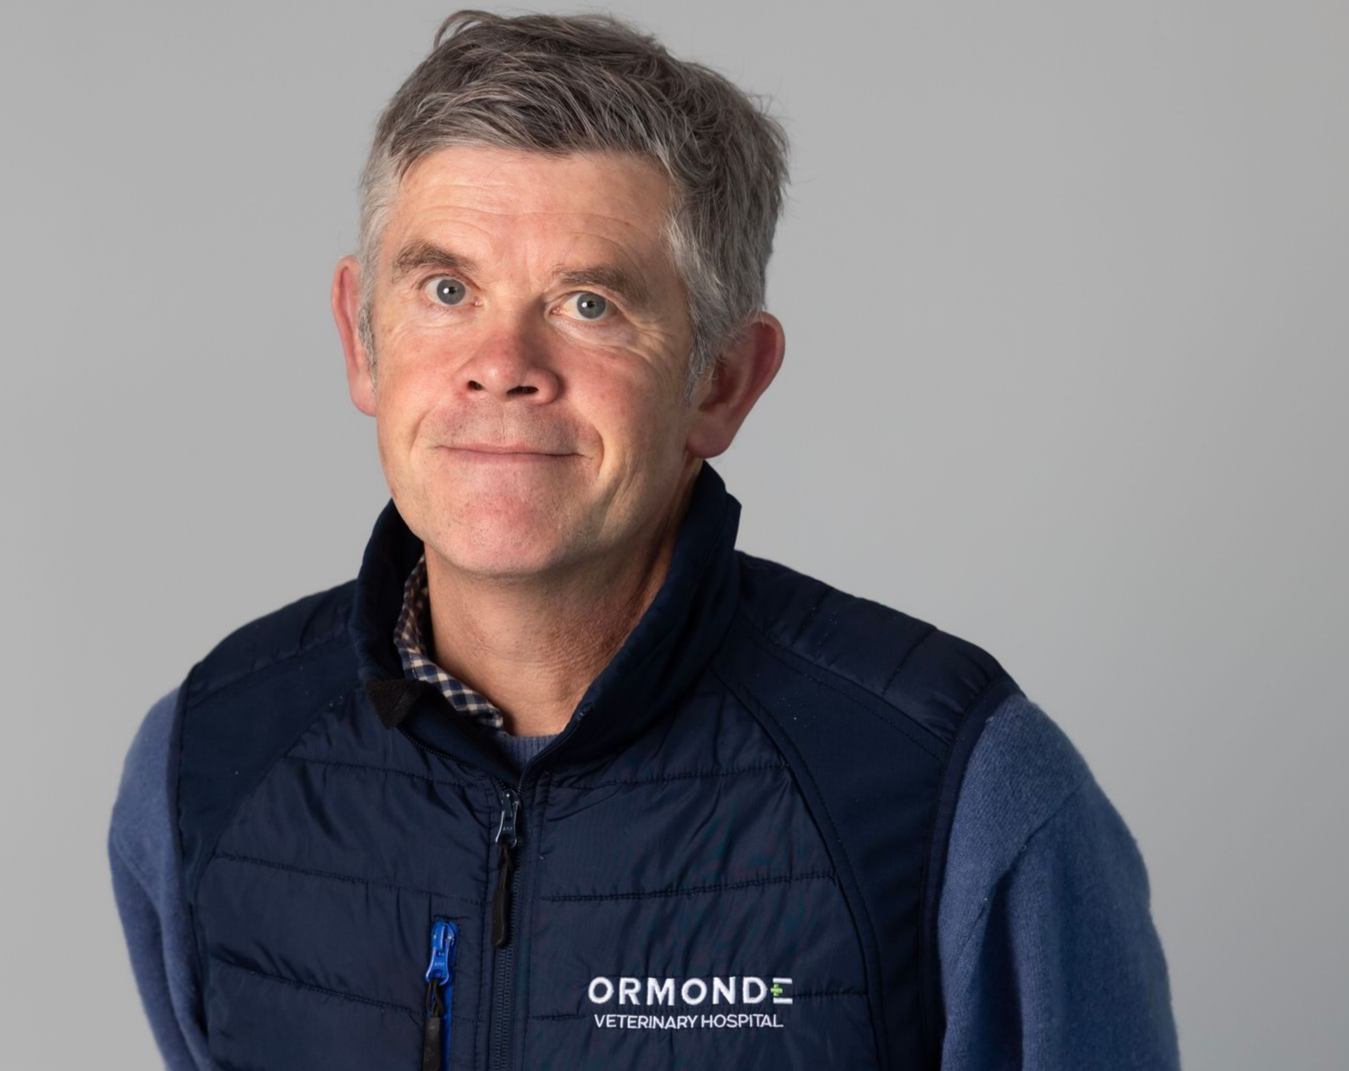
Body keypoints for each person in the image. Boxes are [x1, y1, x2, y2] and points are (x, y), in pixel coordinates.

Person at [108, 11, 1180, 1070]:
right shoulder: (207, 762)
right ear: (362, 338)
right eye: (446, 289)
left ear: (721, 382)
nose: (501, 363)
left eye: (587, 303)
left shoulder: (954, 787)